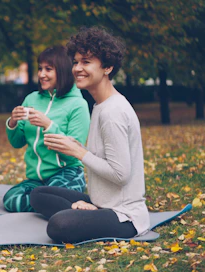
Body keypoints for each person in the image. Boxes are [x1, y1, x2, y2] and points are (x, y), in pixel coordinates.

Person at [30, 26, 150, 243]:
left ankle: (88, 213)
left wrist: (78, 152)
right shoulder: (100, 105)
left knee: (59, 225)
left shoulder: (113, 112)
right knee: (39, 194)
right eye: (75, 62)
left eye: (86, 62)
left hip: (124, 216)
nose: (77, 68)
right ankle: (90, 210)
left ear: (107, 67)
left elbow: (120, 174)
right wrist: (77, 146)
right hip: (101, 202)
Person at [3, 46, 90, 213]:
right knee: (10, 200)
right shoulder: (31, 99)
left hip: (67, 173)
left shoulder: (78, 105)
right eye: (40, 69)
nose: (42, 74)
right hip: (37, 180)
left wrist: (49, 125)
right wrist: (13, 122)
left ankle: (54, 202)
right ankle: (54, 204)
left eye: (48, 69)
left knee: (46, 196)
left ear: (63, 71)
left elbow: (75, 151)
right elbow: (17, 142)